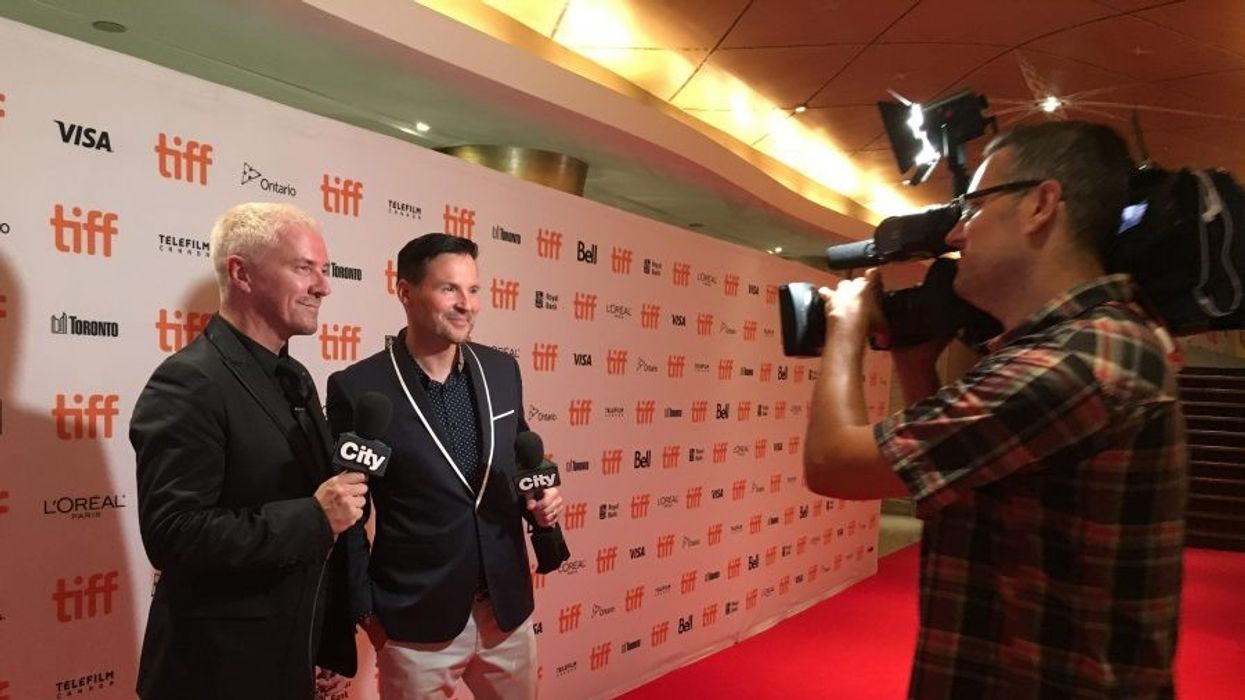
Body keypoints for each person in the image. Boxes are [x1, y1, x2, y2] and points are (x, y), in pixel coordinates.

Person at [803, 122, 1187, 698]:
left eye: (976, 206)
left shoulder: (1077, 363)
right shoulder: (1071, 346)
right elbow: (967, 474)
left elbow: (833, 463)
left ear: (1041, 204)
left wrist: (845, 327)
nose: (958, 231)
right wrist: (913, 361)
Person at [130, 203, 364, 699]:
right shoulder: (189, 381)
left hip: (290, 659)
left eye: (324, 270)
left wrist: (327, 643)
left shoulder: (294, 376)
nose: (324, 286)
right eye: (304, 268)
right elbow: (173, 533)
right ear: (242, 273)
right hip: (216, 674)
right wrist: (313, 517)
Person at [326, 233, 564, 700]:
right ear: (405, 292)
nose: (466, 304)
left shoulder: (501, 370)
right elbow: (349, 514)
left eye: (473, 290)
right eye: (449, 289)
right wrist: (366, 609)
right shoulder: (359, 387)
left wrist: (540, 497)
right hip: (415, 620)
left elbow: (518, 460)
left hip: (505, 610)